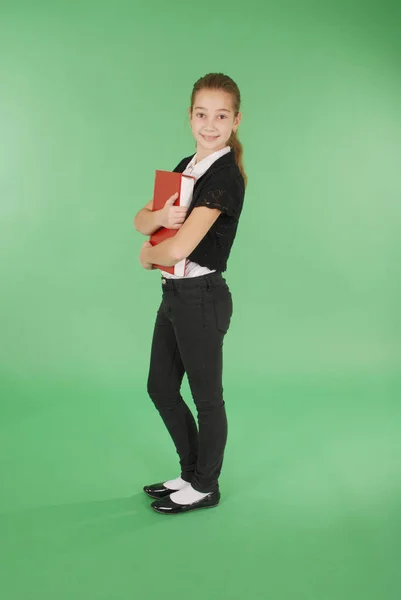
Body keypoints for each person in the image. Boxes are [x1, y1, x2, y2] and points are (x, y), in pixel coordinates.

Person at [133, 72, 247, 514]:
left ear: (236, 121)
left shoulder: (224, 177)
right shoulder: (186, 166)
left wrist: (146, 255)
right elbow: (141, 220)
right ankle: (189, 473)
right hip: (176, 295)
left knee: (206, 398)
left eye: (221, 116)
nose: (210, 124)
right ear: (190, 116)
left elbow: (177, 245)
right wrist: (159, 214)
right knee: (160, 386)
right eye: (202, 114)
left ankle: (206, 485)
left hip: (201, 296)